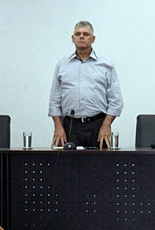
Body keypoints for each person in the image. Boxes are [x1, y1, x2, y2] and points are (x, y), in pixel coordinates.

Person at [49, 21, 123, 149]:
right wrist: (58, 126)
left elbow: (115, 100)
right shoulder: (62, 65)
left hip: (98, 125)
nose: (81, 37)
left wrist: (106, 125)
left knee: (99, 166)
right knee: (68, 167)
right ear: (73, 38)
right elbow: (54, 100)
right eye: (78, 34)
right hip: (70, 126)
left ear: (93, 39)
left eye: (86, 34)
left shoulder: (106, 64)